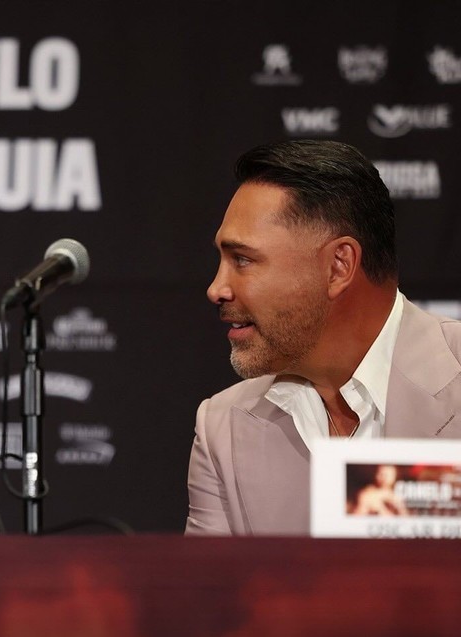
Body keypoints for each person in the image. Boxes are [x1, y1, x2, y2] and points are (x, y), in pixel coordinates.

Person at [186, 139, 461, 536]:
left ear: (338, 266)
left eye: (242, 260)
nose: (217, 288)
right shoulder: (223, 428)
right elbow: (209, 595)